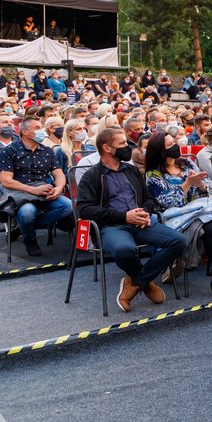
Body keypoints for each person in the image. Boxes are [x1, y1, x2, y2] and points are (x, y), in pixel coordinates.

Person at [77, 127, 186, 312]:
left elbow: (149, 199)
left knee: (178, 241)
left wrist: (143, 212)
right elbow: (85, 209)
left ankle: (135, 282)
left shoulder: (132, 171)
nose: (127, 147)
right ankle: (146, 283)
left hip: (140, 223)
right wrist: (125, 216)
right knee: (125, 250)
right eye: (121, 144)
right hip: (111, 226)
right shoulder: (92, 175)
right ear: (107, 148)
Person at [145, 132, 212, 297]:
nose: (176, 146)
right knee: (211, 229)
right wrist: (187, 183)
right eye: (170, 144)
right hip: (175, 218)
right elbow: (168, 203)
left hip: (198, 210)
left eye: (175, 141)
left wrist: (200, 185)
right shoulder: (153, 175)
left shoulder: (187, 164)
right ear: (160, 151)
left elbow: (205, 192)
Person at [0, 116, 74, 256]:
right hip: (19, 190)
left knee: (68, 206)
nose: (41, 131)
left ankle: (23, 226)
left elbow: (59, 174)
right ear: (25, 132)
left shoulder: (47, 151)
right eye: (37, 128)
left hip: (43, 189)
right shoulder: (9, 151)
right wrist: (33, 190)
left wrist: (59, 188)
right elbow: (6, 181)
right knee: (27, 212)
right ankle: (30, 238)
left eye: (41, 127)